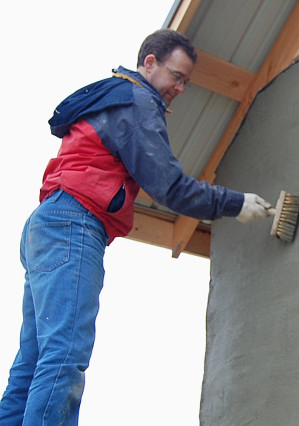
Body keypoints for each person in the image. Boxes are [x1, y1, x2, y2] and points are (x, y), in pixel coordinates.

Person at [0, 29, 273, 425]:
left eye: (186, 82)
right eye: (176, 76)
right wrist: (236, 203)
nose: (180, 88)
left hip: (48, 226)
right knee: (64, 355)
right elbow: (170, 187)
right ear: (149, 63)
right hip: (75, 225)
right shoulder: (137, 99)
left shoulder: (112, 96)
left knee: (34, 358)